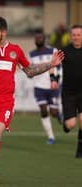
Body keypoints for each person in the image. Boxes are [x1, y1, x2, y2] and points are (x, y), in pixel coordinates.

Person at [0, 17, 64, 185]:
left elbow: (30, 72)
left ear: (4, 32)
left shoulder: (15, 51)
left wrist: (50, 64)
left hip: (5, 102)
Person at [29, 31, 61, 145]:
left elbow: (59, 67)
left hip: (52, 86)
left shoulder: (53, 51)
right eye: (36, 38)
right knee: (43, 110)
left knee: (53, 112)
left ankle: (59, 114)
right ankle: (51, 136)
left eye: (40, 38)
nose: (38, 40)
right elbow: (30, 70)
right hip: (39, 87)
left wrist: (56, 80)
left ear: (44, 39)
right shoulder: (31, 54)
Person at [61, 25, 82, 158]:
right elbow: (53, 64)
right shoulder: (64, 51)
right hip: (69, 93)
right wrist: (53, 78)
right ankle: (66, 124)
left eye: (79, 35)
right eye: (74, 35)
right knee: (71, 124)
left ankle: (80, 148)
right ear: (70, 36)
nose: (76, 37)